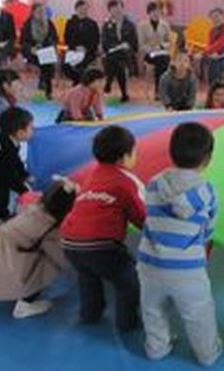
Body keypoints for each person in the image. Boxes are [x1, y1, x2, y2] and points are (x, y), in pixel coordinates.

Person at [138, 123, 223, 366]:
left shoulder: (154, 183)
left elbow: (150, 214)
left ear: (171, 152)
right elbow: (208, 229)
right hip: (187, 270)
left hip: (149, 264)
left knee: (152, 310)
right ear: (207, 159)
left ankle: (157, 348)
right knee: (199, 314)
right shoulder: (207, 191)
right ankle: (207, 354)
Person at [60, 125, 146, 332]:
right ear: (124, 157)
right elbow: (140, 217)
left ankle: (90, 314)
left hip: (69, 242)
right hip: (101, 247)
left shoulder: (91, 174)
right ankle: (127, 323)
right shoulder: (127, 181)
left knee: (87, 275)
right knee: (127, 280)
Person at [0, 178, 77, 319]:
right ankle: (25, 304)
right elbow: (62, 259)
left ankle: (9, 284)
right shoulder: (49, 229)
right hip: (3, 277)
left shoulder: (28, 210)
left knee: (29, 251)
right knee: (50, 263)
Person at [101, 0, 138, 102]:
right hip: (112, 53)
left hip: (126, 53)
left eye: (118, 7)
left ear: (122, 8)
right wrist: (114, 46)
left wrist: (127, 45)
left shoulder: (129, 24)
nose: (117, 10)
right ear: (109, 11)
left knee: (114, 59)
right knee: (118, 63)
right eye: (113, 8)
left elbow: (134, 42)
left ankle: (109, 81)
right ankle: (124, 93)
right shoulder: (106, 24)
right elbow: (104, 42)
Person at [21, 3, 58, 100]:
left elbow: (55, 38)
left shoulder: (49, 23)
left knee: (47, 63)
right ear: (33, 12)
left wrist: (49, 45)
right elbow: (23, 41)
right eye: (39, 11)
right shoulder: (27, 25)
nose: (42, 14)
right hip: (32, 51)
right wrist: (31, 48)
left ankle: (47, 88)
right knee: (45, 64)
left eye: (43, 11)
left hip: (45, 50)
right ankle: (45, 85)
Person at [139, 1, 171, 101]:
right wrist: (151, 48)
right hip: (149, 54)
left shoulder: (165, 24)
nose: (156, 13)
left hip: (162, 52)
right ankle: (159, 91)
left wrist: (161, 46)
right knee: (162, 61)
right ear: (148, 13)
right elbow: (141, 44)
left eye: (158, 11)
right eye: (153, 11)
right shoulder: (142, 26)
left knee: (163, 59)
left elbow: (169, 41)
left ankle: (160, 90)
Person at [63, 0, 100, 84]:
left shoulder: (92, 23)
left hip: (88, 51)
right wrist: (75, 47)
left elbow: (96, 40)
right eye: (81, 9)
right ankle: (78, 82)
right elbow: (66, 38)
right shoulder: (70, 22)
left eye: (85, 9)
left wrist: (85, 48)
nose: (83, 11)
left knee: (81, 65)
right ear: (76, 9)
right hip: (73, 50)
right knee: (65, 66)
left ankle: (79, 84)